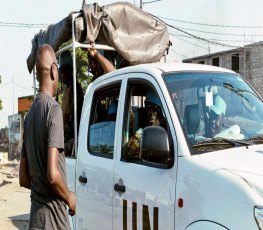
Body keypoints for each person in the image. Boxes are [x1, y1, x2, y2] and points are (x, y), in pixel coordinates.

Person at [19, 44, 76, 230]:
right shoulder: (53, 110)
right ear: (53, 70)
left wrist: (40, 189)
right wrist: (69, 197)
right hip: (55, 222)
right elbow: (53, 175)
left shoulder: (28, 117)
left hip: (36, 219)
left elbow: (23, 178)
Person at [123, 88, 166, 160]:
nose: (151, 113)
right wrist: (136, 141)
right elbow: (127, 152)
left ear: (160, 111)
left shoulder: (169, 128)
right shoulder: (142, 130)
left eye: (154, 109)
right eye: (148, 109)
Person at [59, 51, 84, 156]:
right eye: (62, 72)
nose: (64, 74)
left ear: (71, 71)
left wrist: (60, 133)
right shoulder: (67, 88)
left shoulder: (75, 88)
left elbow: (71, 116)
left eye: (66, 71)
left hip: (74, 136)